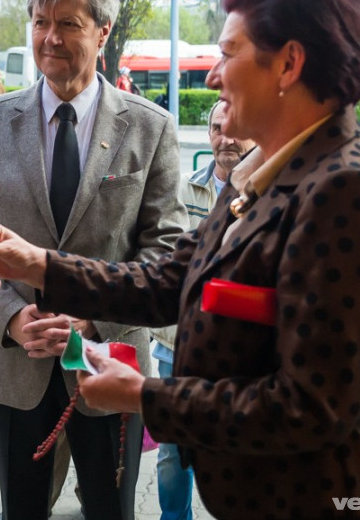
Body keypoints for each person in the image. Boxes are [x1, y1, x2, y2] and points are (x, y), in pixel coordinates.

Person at [0, 0, 360, 519]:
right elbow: (172, 279)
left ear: (289, 64)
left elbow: (308, 406)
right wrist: (38, 266)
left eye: (227, 53)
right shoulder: (271, 173)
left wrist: (145, 396)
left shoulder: (346, 192)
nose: (214, 78)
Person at [0, 0, 186, 520]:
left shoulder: (150, 128)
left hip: (111, 363)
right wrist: (11, 317)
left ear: (102, 32)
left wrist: (93, 319)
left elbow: (166, 252)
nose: (49, 38)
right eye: (39, 22)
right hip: (13, 367)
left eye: (69, 24)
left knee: (111, 511)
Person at [149, 99, 254, 520]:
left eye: (234, 127)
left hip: (238, 350)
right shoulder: (184, 188)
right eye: (216, 127)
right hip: (177, 344)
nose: (225, 137)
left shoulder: (270, 193)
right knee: (172, 452)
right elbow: (167, 260)